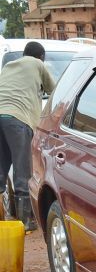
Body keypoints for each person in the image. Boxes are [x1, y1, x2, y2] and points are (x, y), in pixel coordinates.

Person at [0, 41, 56, 230]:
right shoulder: (38, 64)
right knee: (22, 169)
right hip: (18, 120)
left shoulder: (8, 66)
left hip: (1, 115)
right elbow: (54, 91)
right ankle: (25, 222)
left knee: (1, 169)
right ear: (40, 57)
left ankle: (1, 220)